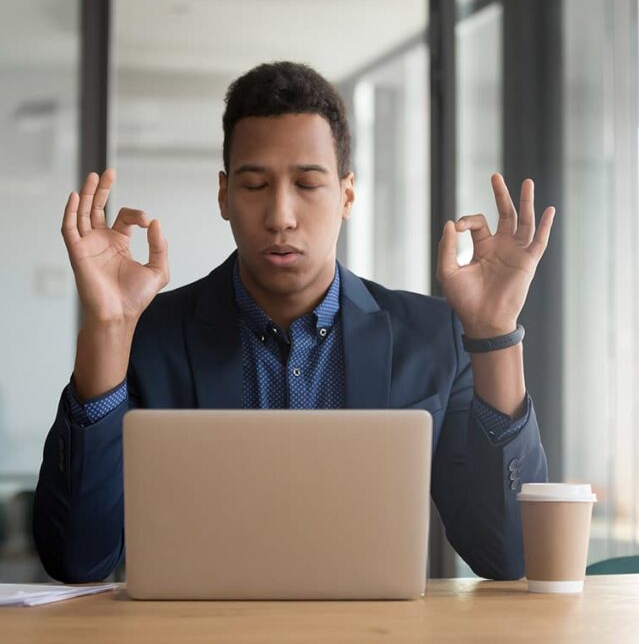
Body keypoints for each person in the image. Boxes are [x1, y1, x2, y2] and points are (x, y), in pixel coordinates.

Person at [34, 61, 553, 583]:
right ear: (224, 196)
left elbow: (507, 555)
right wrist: (108, 326)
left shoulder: (432, 338)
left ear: (347, 195)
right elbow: (78, 559)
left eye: (307, 184)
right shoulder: (148, 337)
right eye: (255, 185)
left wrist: (494, 335)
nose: (280, 215)